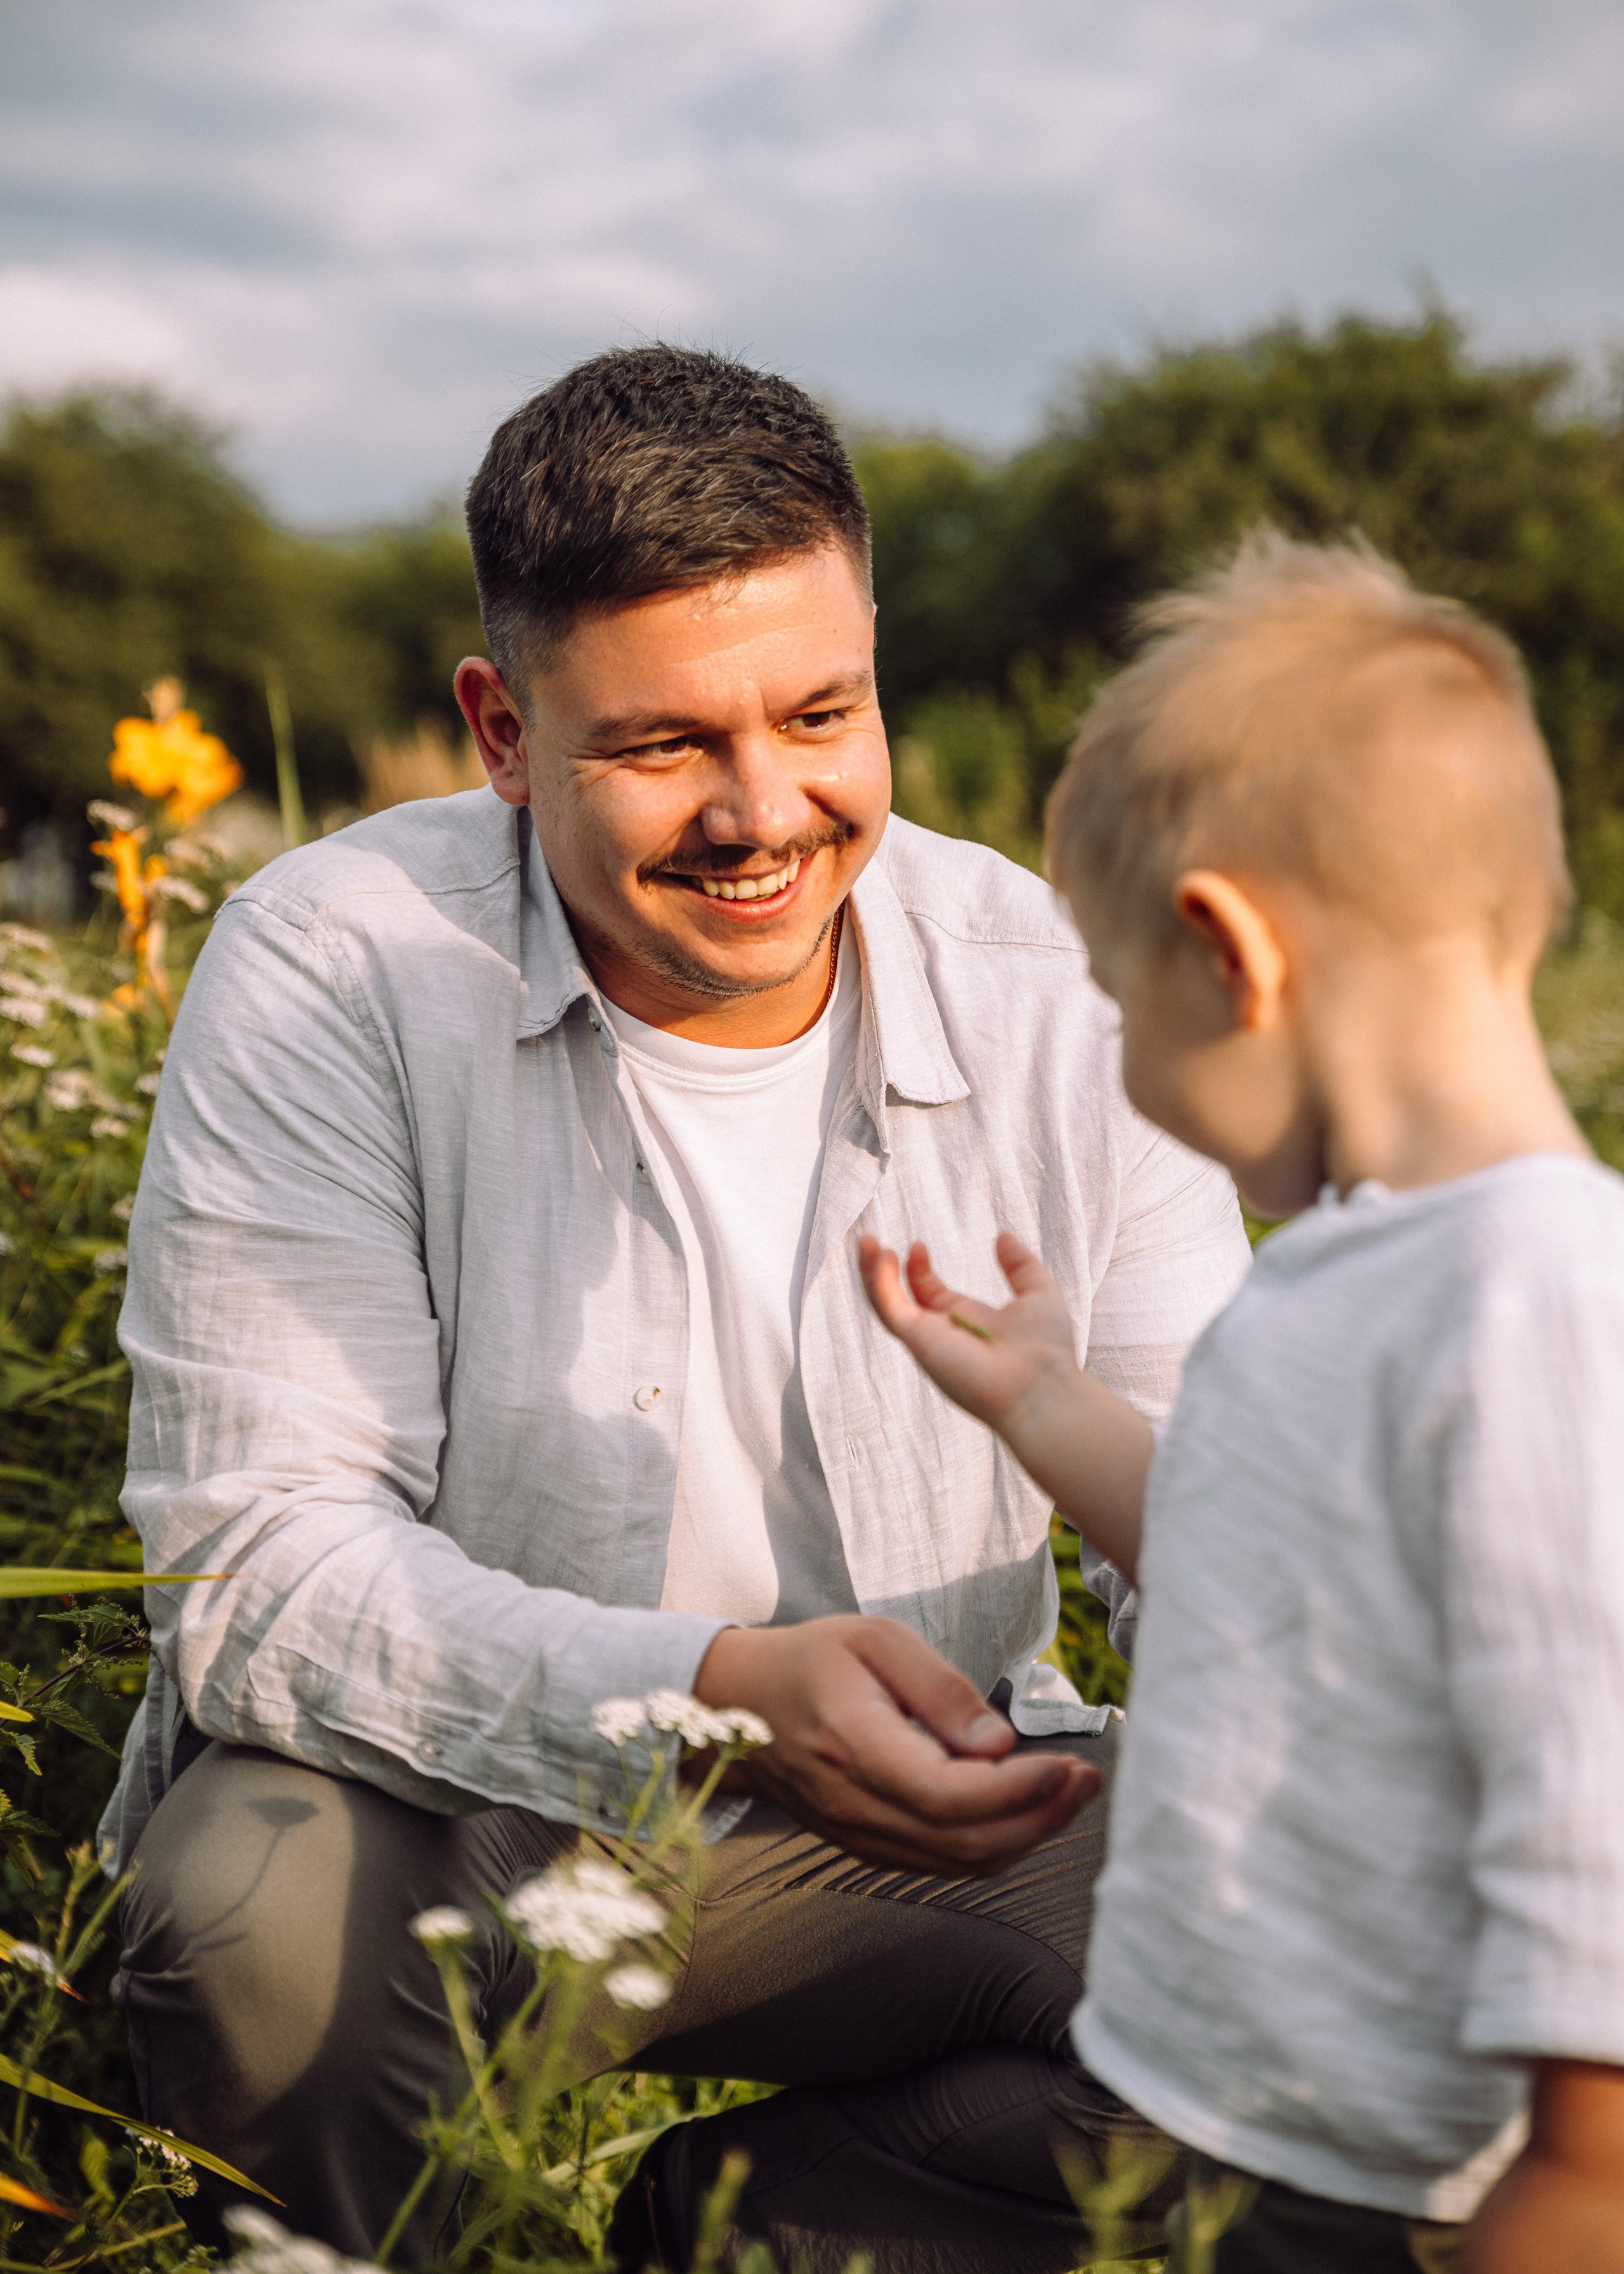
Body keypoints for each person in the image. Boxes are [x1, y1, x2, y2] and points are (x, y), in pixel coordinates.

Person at [107, 346, 1247, 2273]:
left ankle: (775, 2235)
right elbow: (255, 1570)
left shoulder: (1055, 986)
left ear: (878, 660)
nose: (762, 811)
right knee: (244, 1916)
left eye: (822, 713)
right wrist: (707, 1696)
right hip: (464, 1802)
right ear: (498, 726)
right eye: (662, 747)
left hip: (950, 1810)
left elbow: (1227, 1509)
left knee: (1395, 1932)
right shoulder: (331, 966)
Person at [861, 531, 1624, 2271]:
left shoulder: (1546, 1308)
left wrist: (1580, 2192)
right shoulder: (1350, 1262)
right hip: (1214, 2136)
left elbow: (1601, 1850)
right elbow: (1247, 1548)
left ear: (1227, 955)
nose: (1125, 1059)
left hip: (1414, 2205)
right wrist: (1048, 1405)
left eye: (1121, 1002)